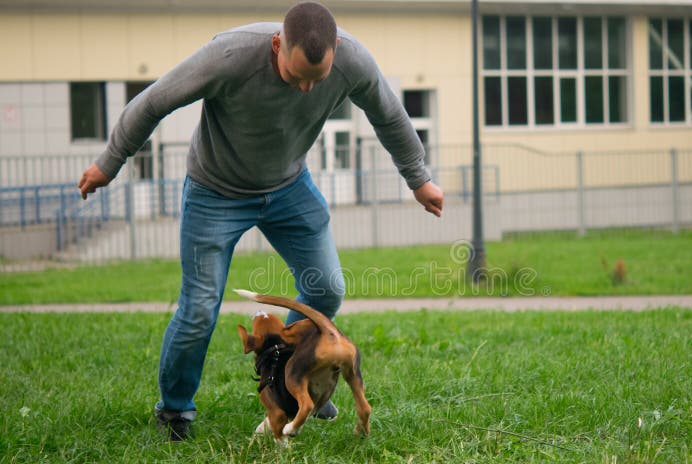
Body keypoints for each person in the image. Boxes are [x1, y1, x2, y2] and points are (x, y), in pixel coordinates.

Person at [78, 1, 443, 441]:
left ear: (336, 50)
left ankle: (297, 385)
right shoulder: (229, 56)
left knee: (327, 288)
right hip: (216, 190)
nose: (307, 89)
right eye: (295, 76)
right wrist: (110, 162)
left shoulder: (354, 61)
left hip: (290, 187)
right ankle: (175, 411)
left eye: (318, 79)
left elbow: (389, 116)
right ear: (276, 46)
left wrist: (419, 179)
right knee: (198, 309)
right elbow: (153, 101)